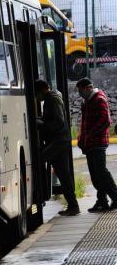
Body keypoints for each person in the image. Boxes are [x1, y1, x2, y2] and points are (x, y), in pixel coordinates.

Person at [35, 79, 80, 216]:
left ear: (42, 90)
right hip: (60, 141)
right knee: (63, 174)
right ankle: (73, 205)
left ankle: (72, 206)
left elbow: (58, 121)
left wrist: (41, 124)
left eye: (37, 94)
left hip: (58, 141)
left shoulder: (52, 100)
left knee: (39, 160)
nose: (37, 98)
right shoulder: (53, 97)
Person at [76, 77, 117, 212]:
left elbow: (106, 120)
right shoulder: (87, 101)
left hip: (98, 142)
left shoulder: (99, 99)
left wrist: (90, 134)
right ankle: (102, 201)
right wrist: (83, 138)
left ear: (89, 88)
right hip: (90, 143)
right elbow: (85, 123)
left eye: (81, 91)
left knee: (101, 173)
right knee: (96, 175)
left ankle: (114, 198)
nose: (80, 94)